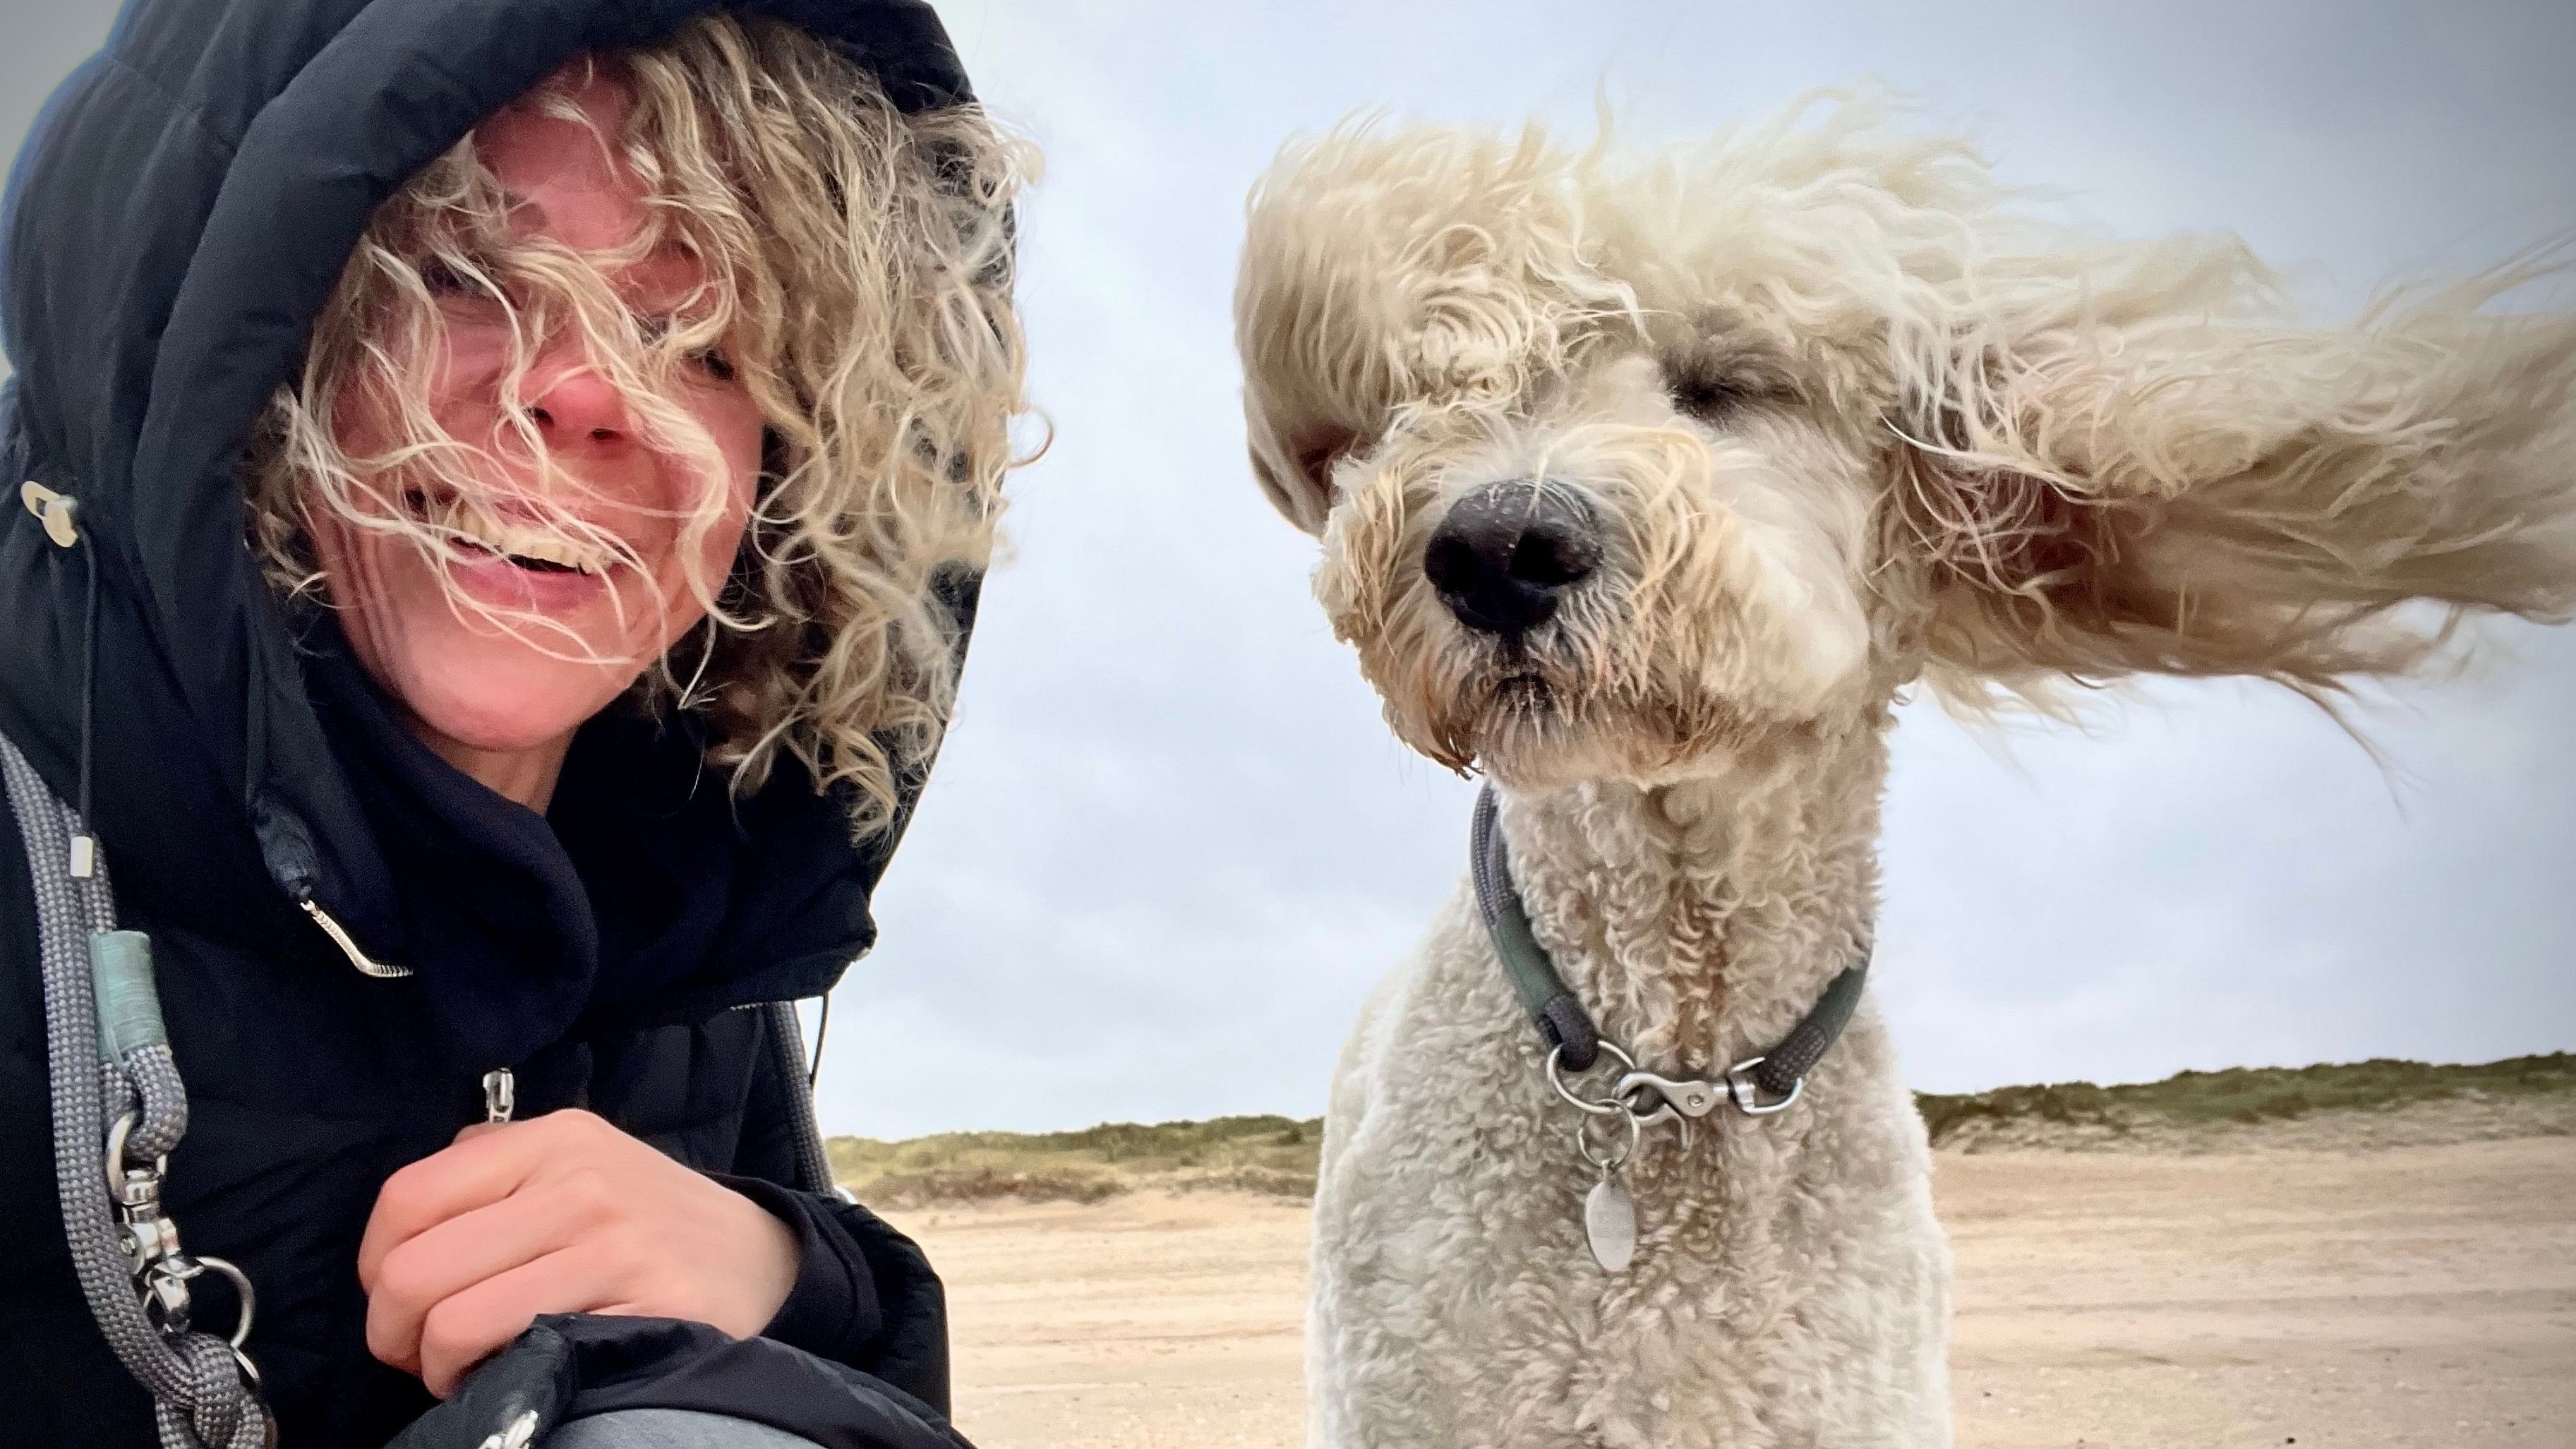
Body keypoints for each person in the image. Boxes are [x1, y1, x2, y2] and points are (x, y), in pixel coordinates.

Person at [0, 1, 1028, 1445]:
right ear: (220, 331)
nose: (590, 390)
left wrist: (788, 1277)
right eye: (466, 277)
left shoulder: (676, 883)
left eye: (707, 343)